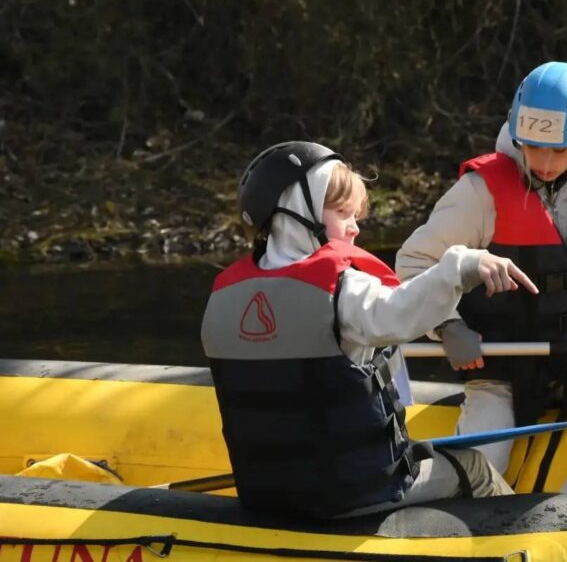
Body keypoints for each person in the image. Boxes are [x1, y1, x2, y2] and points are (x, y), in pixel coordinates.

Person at [201, 141, 533, 518]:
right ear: (296, 210)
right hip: (353, 491)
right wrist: (461, 265)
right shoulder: (343, 289)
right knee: (473, 465)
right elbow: (401, 313)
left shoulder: (223, 297)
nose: (355, 228)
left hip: (264, 492)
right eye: (343, 212)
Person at [395, 61, 567, 493]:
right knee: (483, 461)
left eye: (558, 150)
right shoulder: (479, 195)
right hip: (499, 366)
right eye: (533, 147)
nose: (543, 161)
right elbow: (412, 265)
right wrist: (446, 325)